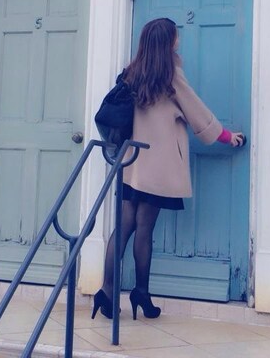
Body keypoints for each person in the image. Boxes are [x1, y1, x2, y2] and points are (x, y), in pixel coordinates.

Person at [92, 17, 245, 321]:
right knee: (144, 229)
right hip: (157, 165)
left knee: (123, 227)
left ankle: (106, 291)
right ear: (168, 41)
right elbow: (197, 112)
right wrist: (227, 136)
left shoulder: (131, 72)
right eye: (176, 36)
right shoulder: (170, 75)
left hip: (130, 163)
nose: (179, 40)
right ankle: (141, 293)